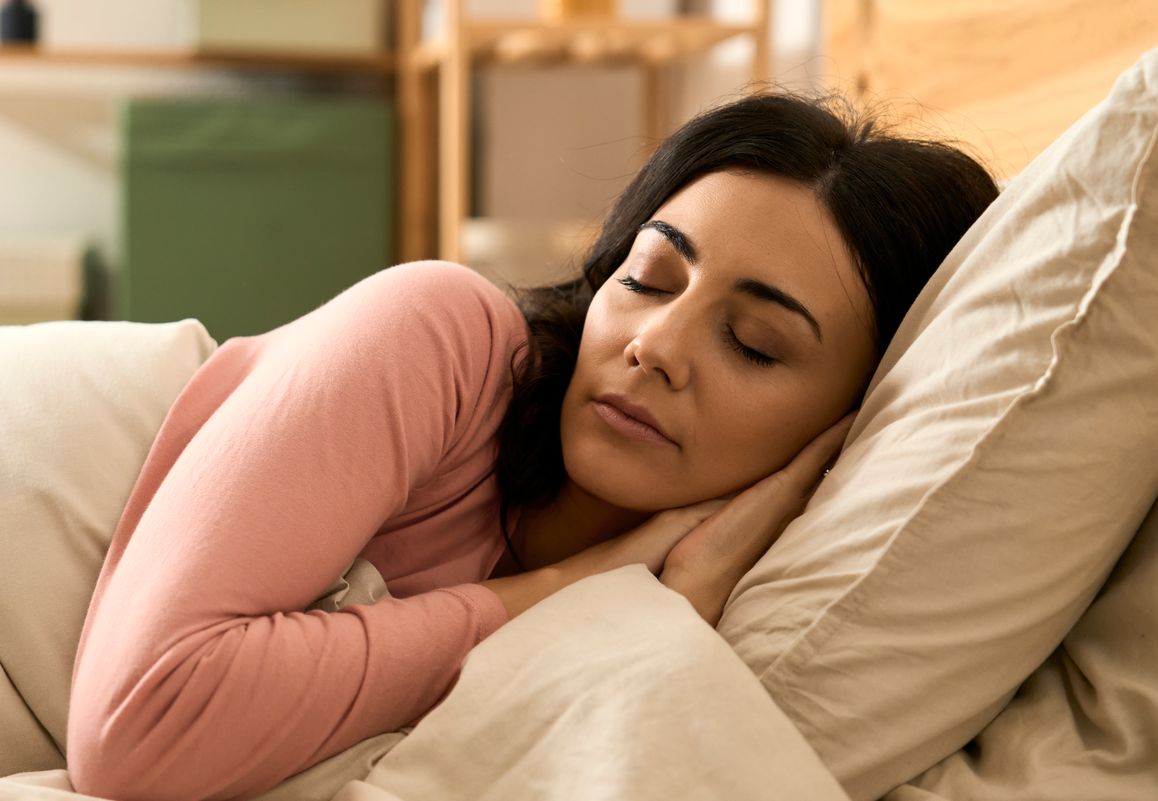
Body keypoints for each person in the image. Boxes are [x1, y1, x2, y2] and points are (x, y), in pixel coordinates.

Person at [66, 91, 999, 801]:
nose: (653, 345)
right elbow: (137, 726)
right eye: (649, 276)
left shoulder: (754, 590)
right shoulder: (443, 334)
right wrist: (585, 584)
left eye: (753, 344)